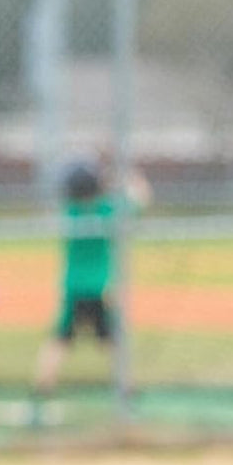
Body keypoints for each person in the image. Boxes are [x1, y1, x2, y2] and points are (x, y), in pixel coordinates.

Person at [31, 157, 148, 410]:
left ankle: (43, 385)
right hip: (102, 287)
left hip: (73, 287)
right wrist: (125, 173)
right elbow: (140, 198)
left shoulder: (70, 213)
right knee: (113, 340)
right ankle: (126, 387)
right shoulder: (106, 210)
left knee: (61, 338)